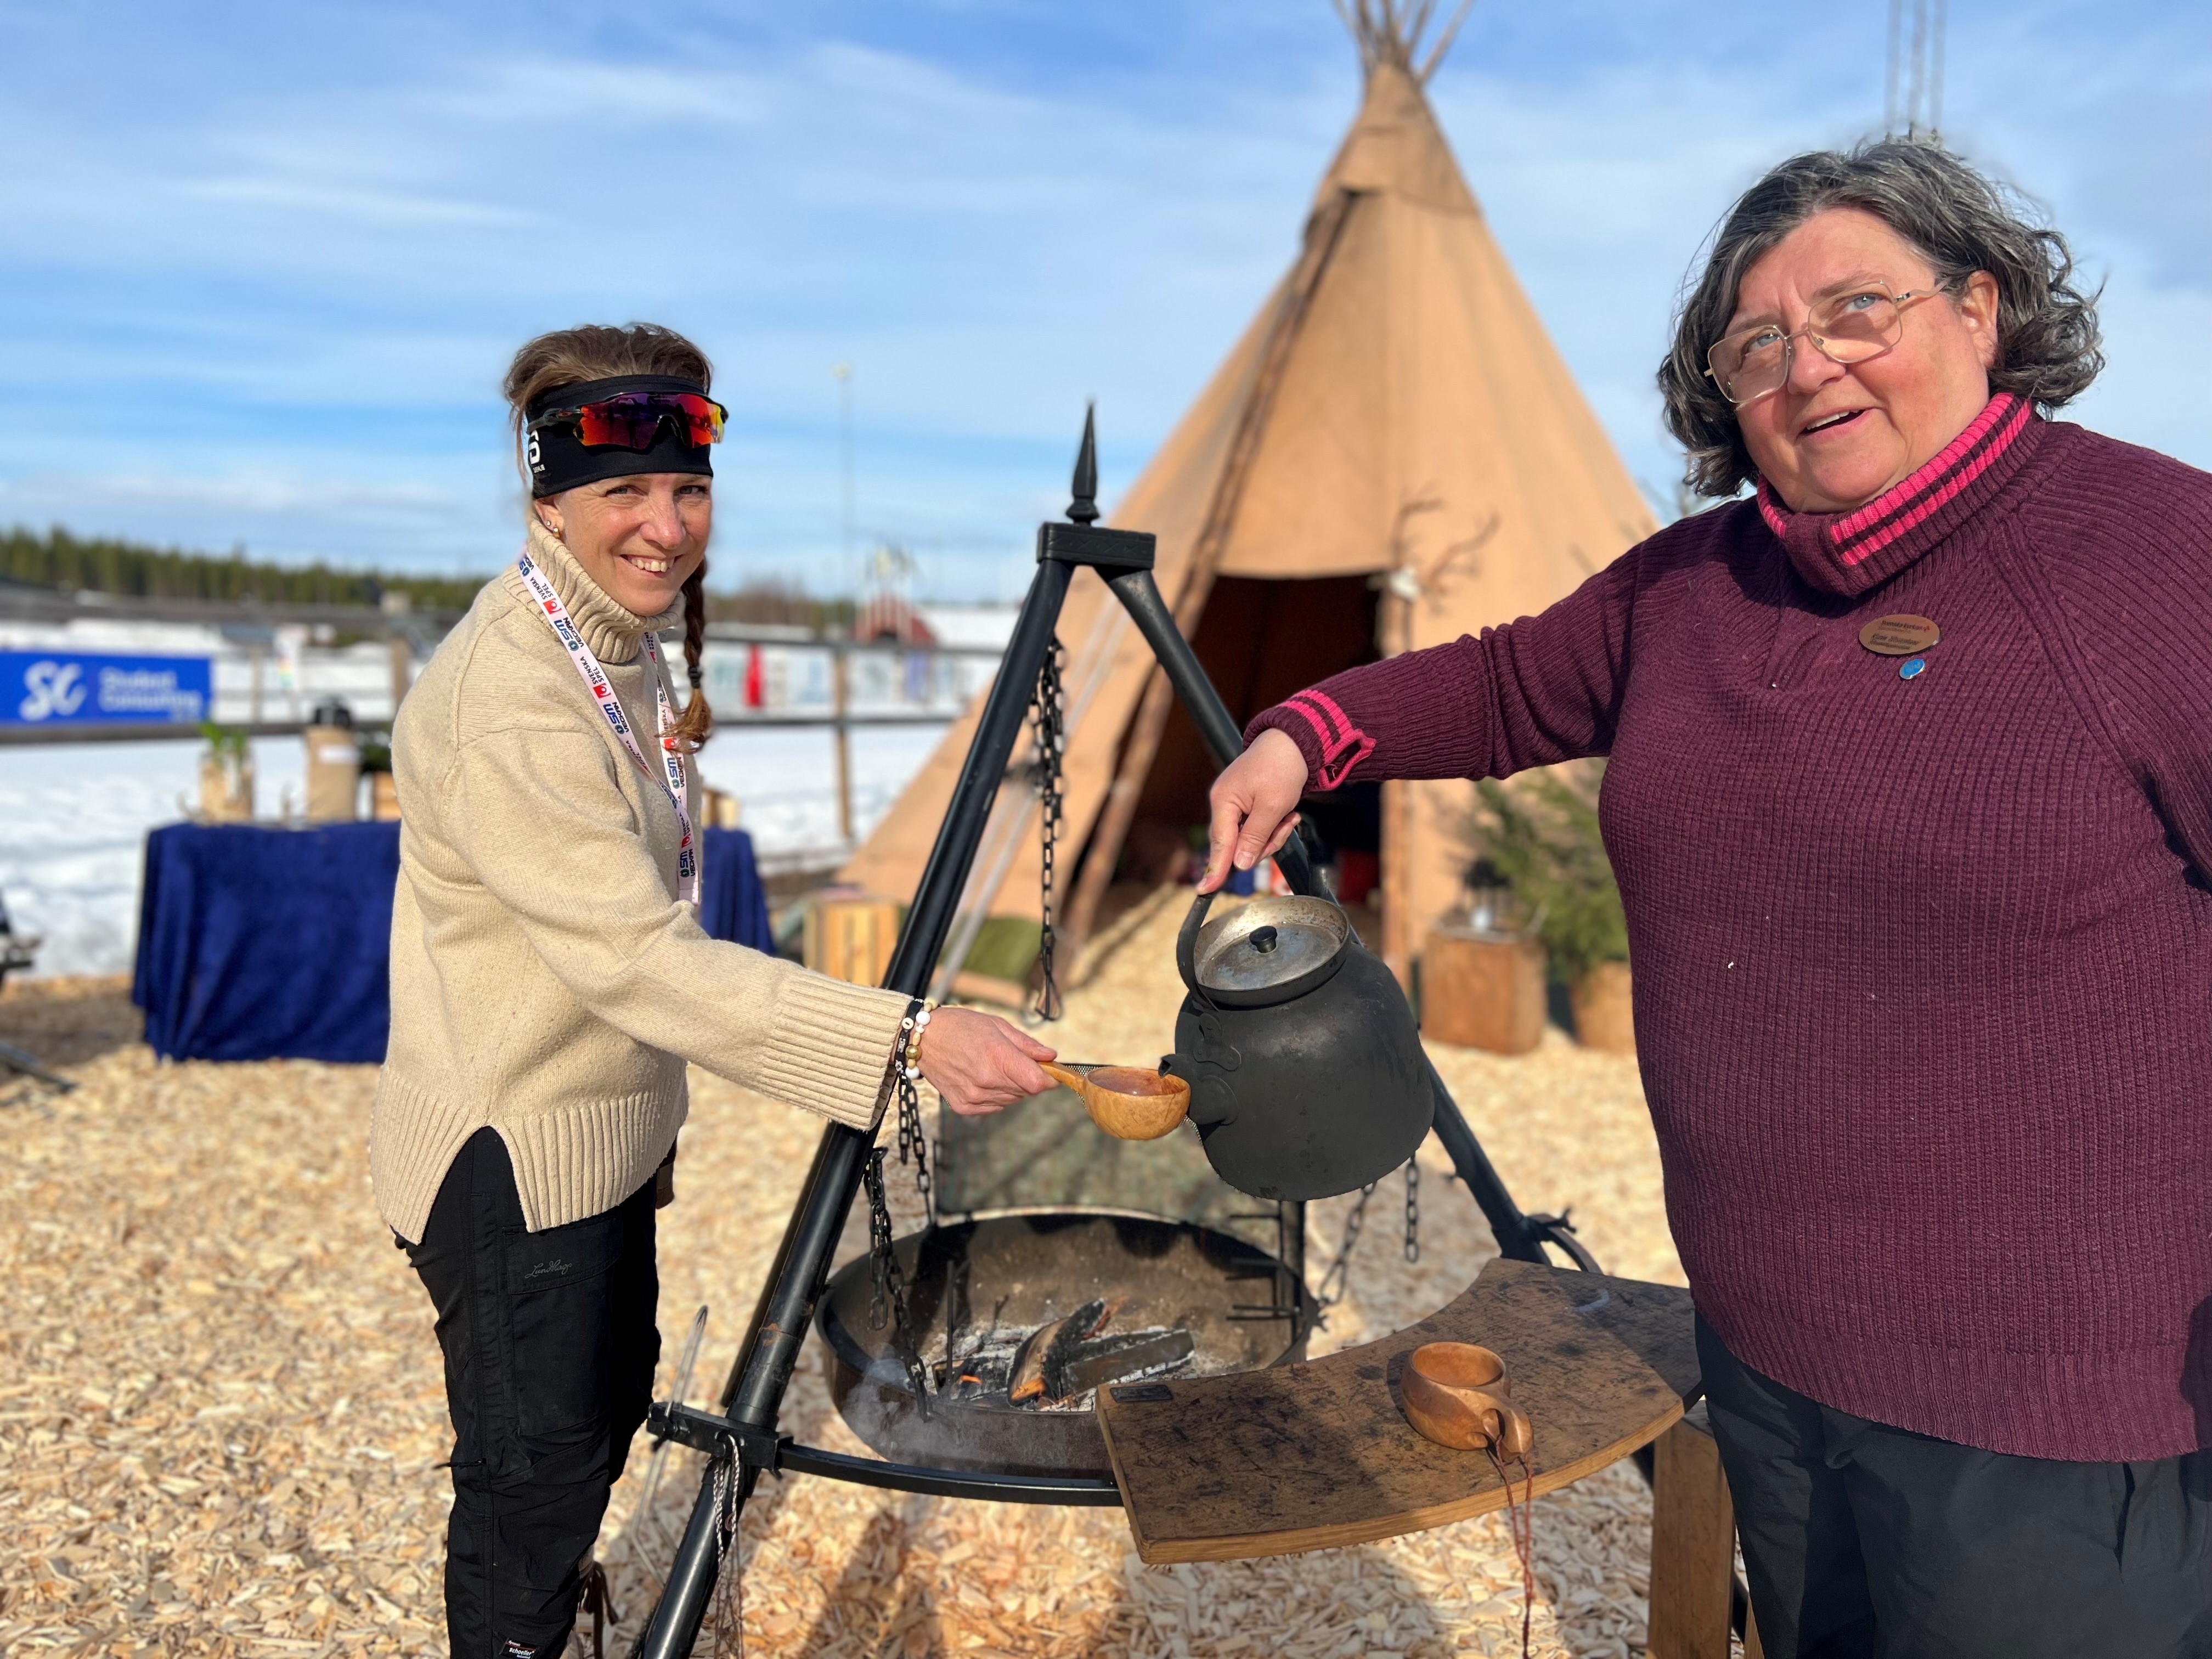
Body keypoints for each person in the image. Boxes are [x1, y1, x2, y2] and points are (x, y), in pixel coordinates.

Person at [1205, 142, 2212, 1656]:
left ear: (1983, 309)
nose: (1812, 367)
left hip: (2052, 1416)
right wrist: (1307, 729)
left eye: (1860, 309)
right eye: (1759, 344)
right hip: (1768, 1359)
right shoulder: (1695, 585)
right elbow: (1497, 684)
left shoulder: (2152, 554)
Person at [373, 322, 1057, 1658]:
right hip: (511, 1157)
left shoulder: (608, 646)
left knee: (599, 1415)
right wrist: (910, 1038)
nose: (665, 526)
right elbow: (638, 960)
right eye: (623, 491)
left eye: (686, 490)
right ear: (547, 496)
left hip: (597, 1138)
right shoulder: (509, 699)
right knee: (532, 1487)